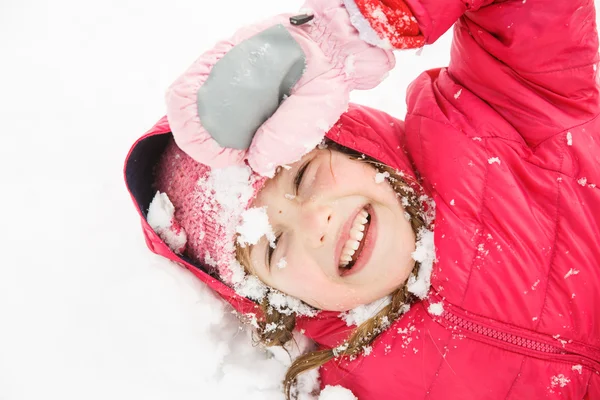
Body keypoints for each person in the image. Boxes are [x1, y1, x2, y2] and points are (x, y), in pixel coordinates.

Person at [124, 0, 600, 398]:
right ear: (276, 300)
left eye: (306, 176)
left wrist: (352, 26)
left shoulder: (497, 115)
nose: (317, 223)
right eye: (272, 246)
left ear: (353, 147)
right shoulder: (354, 385)